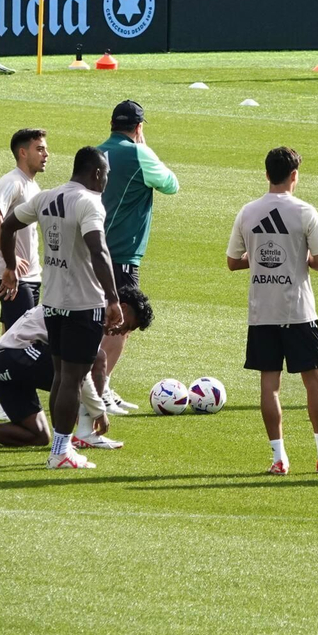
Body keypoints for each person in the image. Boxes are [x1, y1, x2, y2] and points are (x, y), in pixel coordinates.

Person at [226, 146, 318, 475]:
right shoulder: (305, 212)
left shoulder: (248, 212)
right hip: (298, 312)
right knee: (315, 382)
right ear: (294, 175)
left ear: (267, 174)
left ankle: (278, 458)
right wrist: (298, 256)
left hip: (262, 312)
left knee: (269, 385)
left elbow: (233, 262)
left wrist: (260, 258)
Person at [0, 146, 126, 470]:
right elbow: (99, 251)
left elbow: (7, 226)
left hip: (52, 303)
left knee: (61, 375)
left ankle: (60, 448)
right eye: (107, 175)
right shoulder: (89, 202)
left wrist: (10, 265)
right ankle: (60, 452)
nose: (106, 181)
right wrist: (112, 298)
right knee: (73, 378)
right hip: (83, 304)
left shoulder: (45, 197)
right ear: (97, 173)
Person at [0, 286, 154, 452]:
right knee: (95, 359)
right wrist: (98, 411)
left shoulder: (84, 302)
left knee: (38, 435)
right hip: (17, 355)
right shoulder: (91, 310)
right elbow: (80, 374)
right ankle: (84, 434)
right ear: (122, 307)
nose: (122, 332)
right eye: (127, 325)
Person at [96, 100, 180, 414]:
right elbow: (171, 185)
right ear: (139, 127)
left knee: (96, 321)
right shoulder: (138, 153)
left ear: (111, 124)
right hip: (121, 252)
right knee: (122, 322)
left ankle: (98, 387)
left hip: (90, 251)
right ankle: (99, 390)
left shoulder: (95, 152)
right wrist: (145, 148)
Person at [0, 128, 47, 328]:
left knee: (11, 337)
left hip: (29, 275)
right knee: (24, 337)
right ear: (23, 152)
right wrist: (11, 259)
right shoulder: (12, 182)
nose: (46, 155)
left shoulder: (32, 186)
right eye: (39, 149)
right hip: (13, 274)